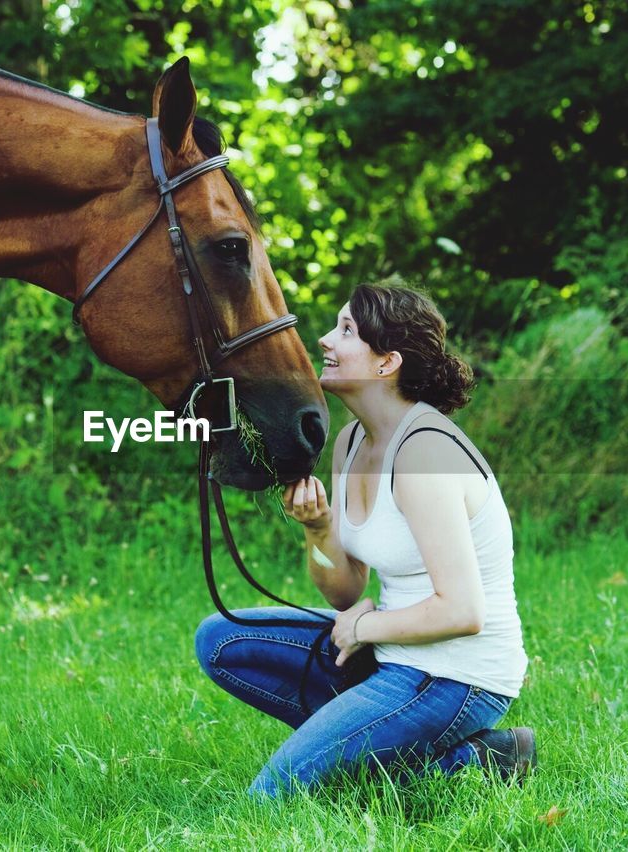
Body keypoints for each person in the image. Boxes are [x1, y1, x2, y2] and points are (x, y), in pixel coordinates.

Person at [194, 282, 534, 798]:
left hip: (454, 679)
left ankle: (476, 760)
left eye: (346, 330)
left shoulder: (424, 453)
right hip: (392, 656)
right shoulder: (351, 442)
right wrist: (317, 529)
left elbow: (463, 611)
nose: (326, 340)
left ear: (386, 362)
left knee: (273, 795)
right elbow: (344, 593)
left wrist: (366, 627)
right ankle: (363, 744)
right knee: (221, 641)